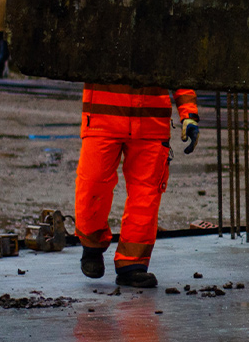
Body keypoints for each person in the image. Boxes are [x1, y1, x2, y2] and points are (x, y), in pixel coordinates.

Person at [75, 84, 200, 288]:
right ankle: (91, 246)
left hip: (149, 122)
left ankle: (132, 265)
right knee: (92, 184)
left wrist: (189, 114)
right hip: (103, 118)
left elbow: (179, 71)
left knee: (146, 195)